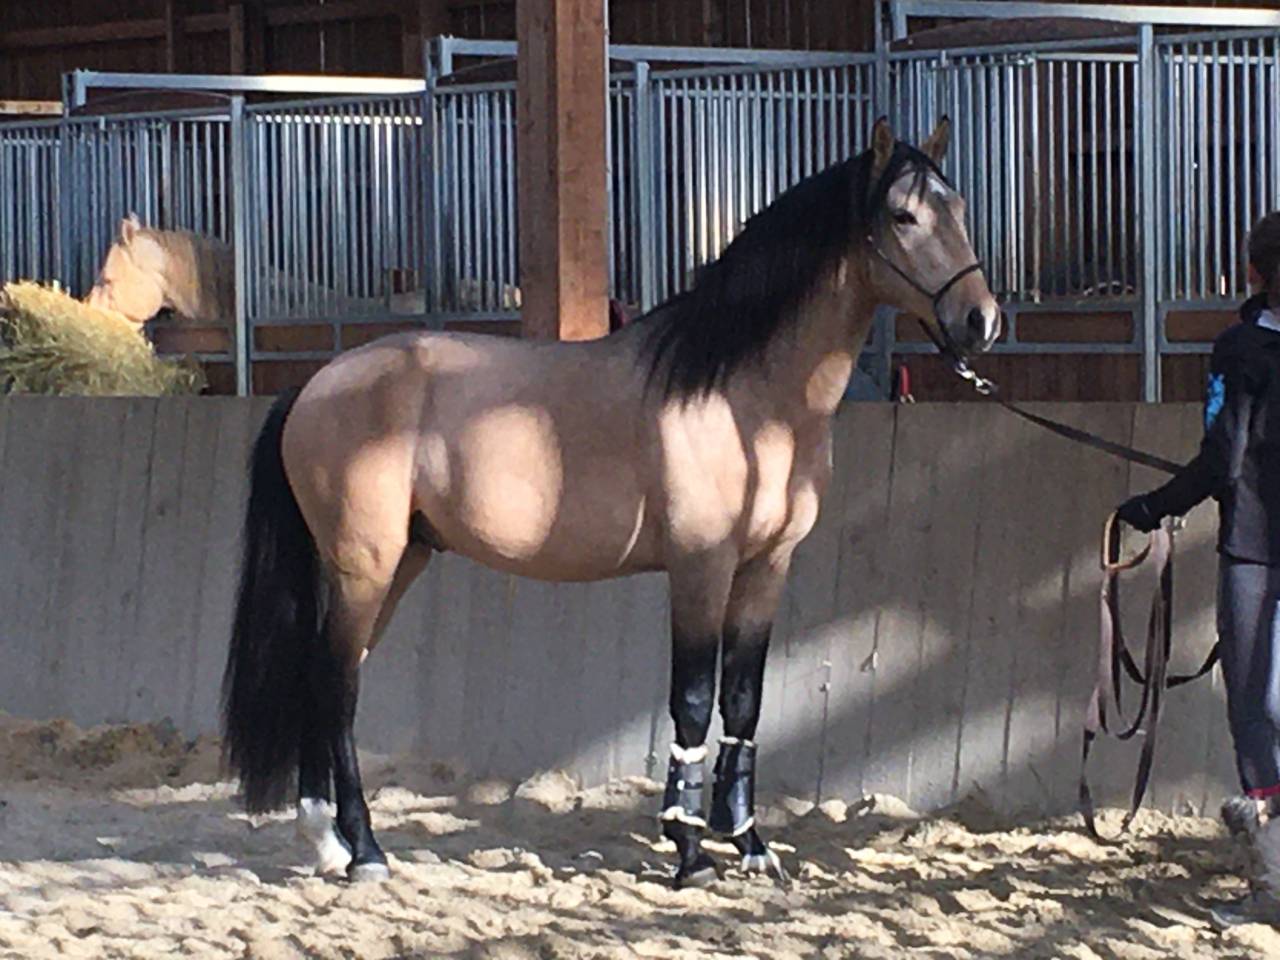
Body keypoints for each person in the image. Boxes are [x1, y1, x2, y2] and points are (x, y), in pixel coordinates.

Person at [1117, 211, 1280, 928]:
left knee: (1253, 709)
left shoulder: (1239, 348)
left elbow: (1223, 455)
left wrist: (1155, 505)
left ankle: (1272, 883)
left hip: (1255, 547)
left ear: (1253, 271)